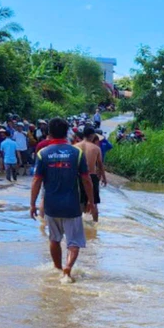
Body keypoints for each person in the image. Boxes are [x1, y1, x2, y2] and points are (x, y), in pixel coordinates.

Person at [29, 118, 97, 283]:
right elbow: (86, 179)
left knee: (54, 239)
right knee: (74, 241)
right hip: (72, 205)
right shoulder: (76, 153)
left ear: (49, 133)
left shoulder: (43, 153)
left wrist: (32, 204)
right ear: (67, 132)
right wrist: (91, 202)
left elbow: (37, 180)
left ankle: (58, 268)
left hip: (52, 205)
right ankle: (68, 268)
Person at [79, 128, 107, 223]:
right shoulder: (96, 148)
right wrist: (104, 177)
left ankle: (79, 224)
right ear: (92, 136)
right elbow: (100, 165)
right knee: (93, 203)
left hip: (78, 176)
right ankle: (95, 226)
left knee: (79, 202)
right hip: (91, 176)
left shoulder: (75, 146)